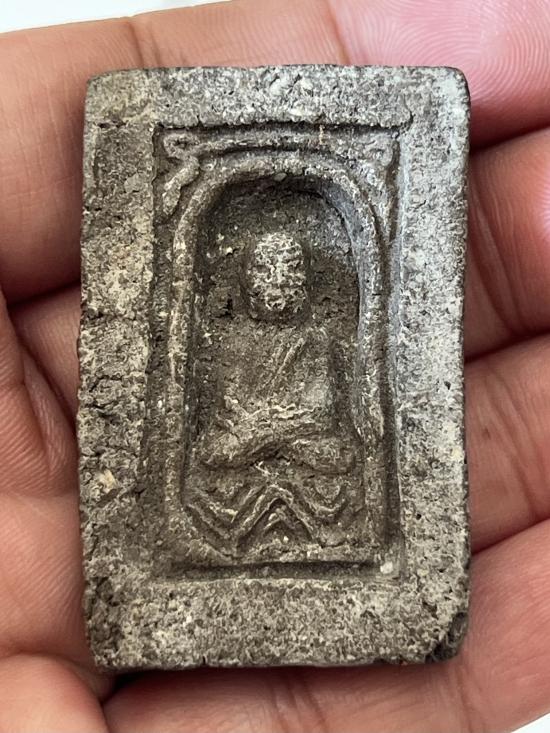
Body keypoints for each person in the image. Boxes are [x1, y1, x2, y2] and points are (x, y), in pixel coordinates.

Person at [1, 0, 550, 730]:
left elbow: (332, 430)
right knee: (218, 480)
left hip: (312, 477)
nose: (280, 284)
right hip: (234, 484)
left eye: (292, 271)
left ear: (307, 280)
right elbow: (217, 443)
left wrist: (276, 432)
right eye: (267, 272)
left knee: (335, 474)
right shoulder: (230, 345)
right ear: (248, 280)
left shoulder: (319, 342)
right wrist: (265, 434)